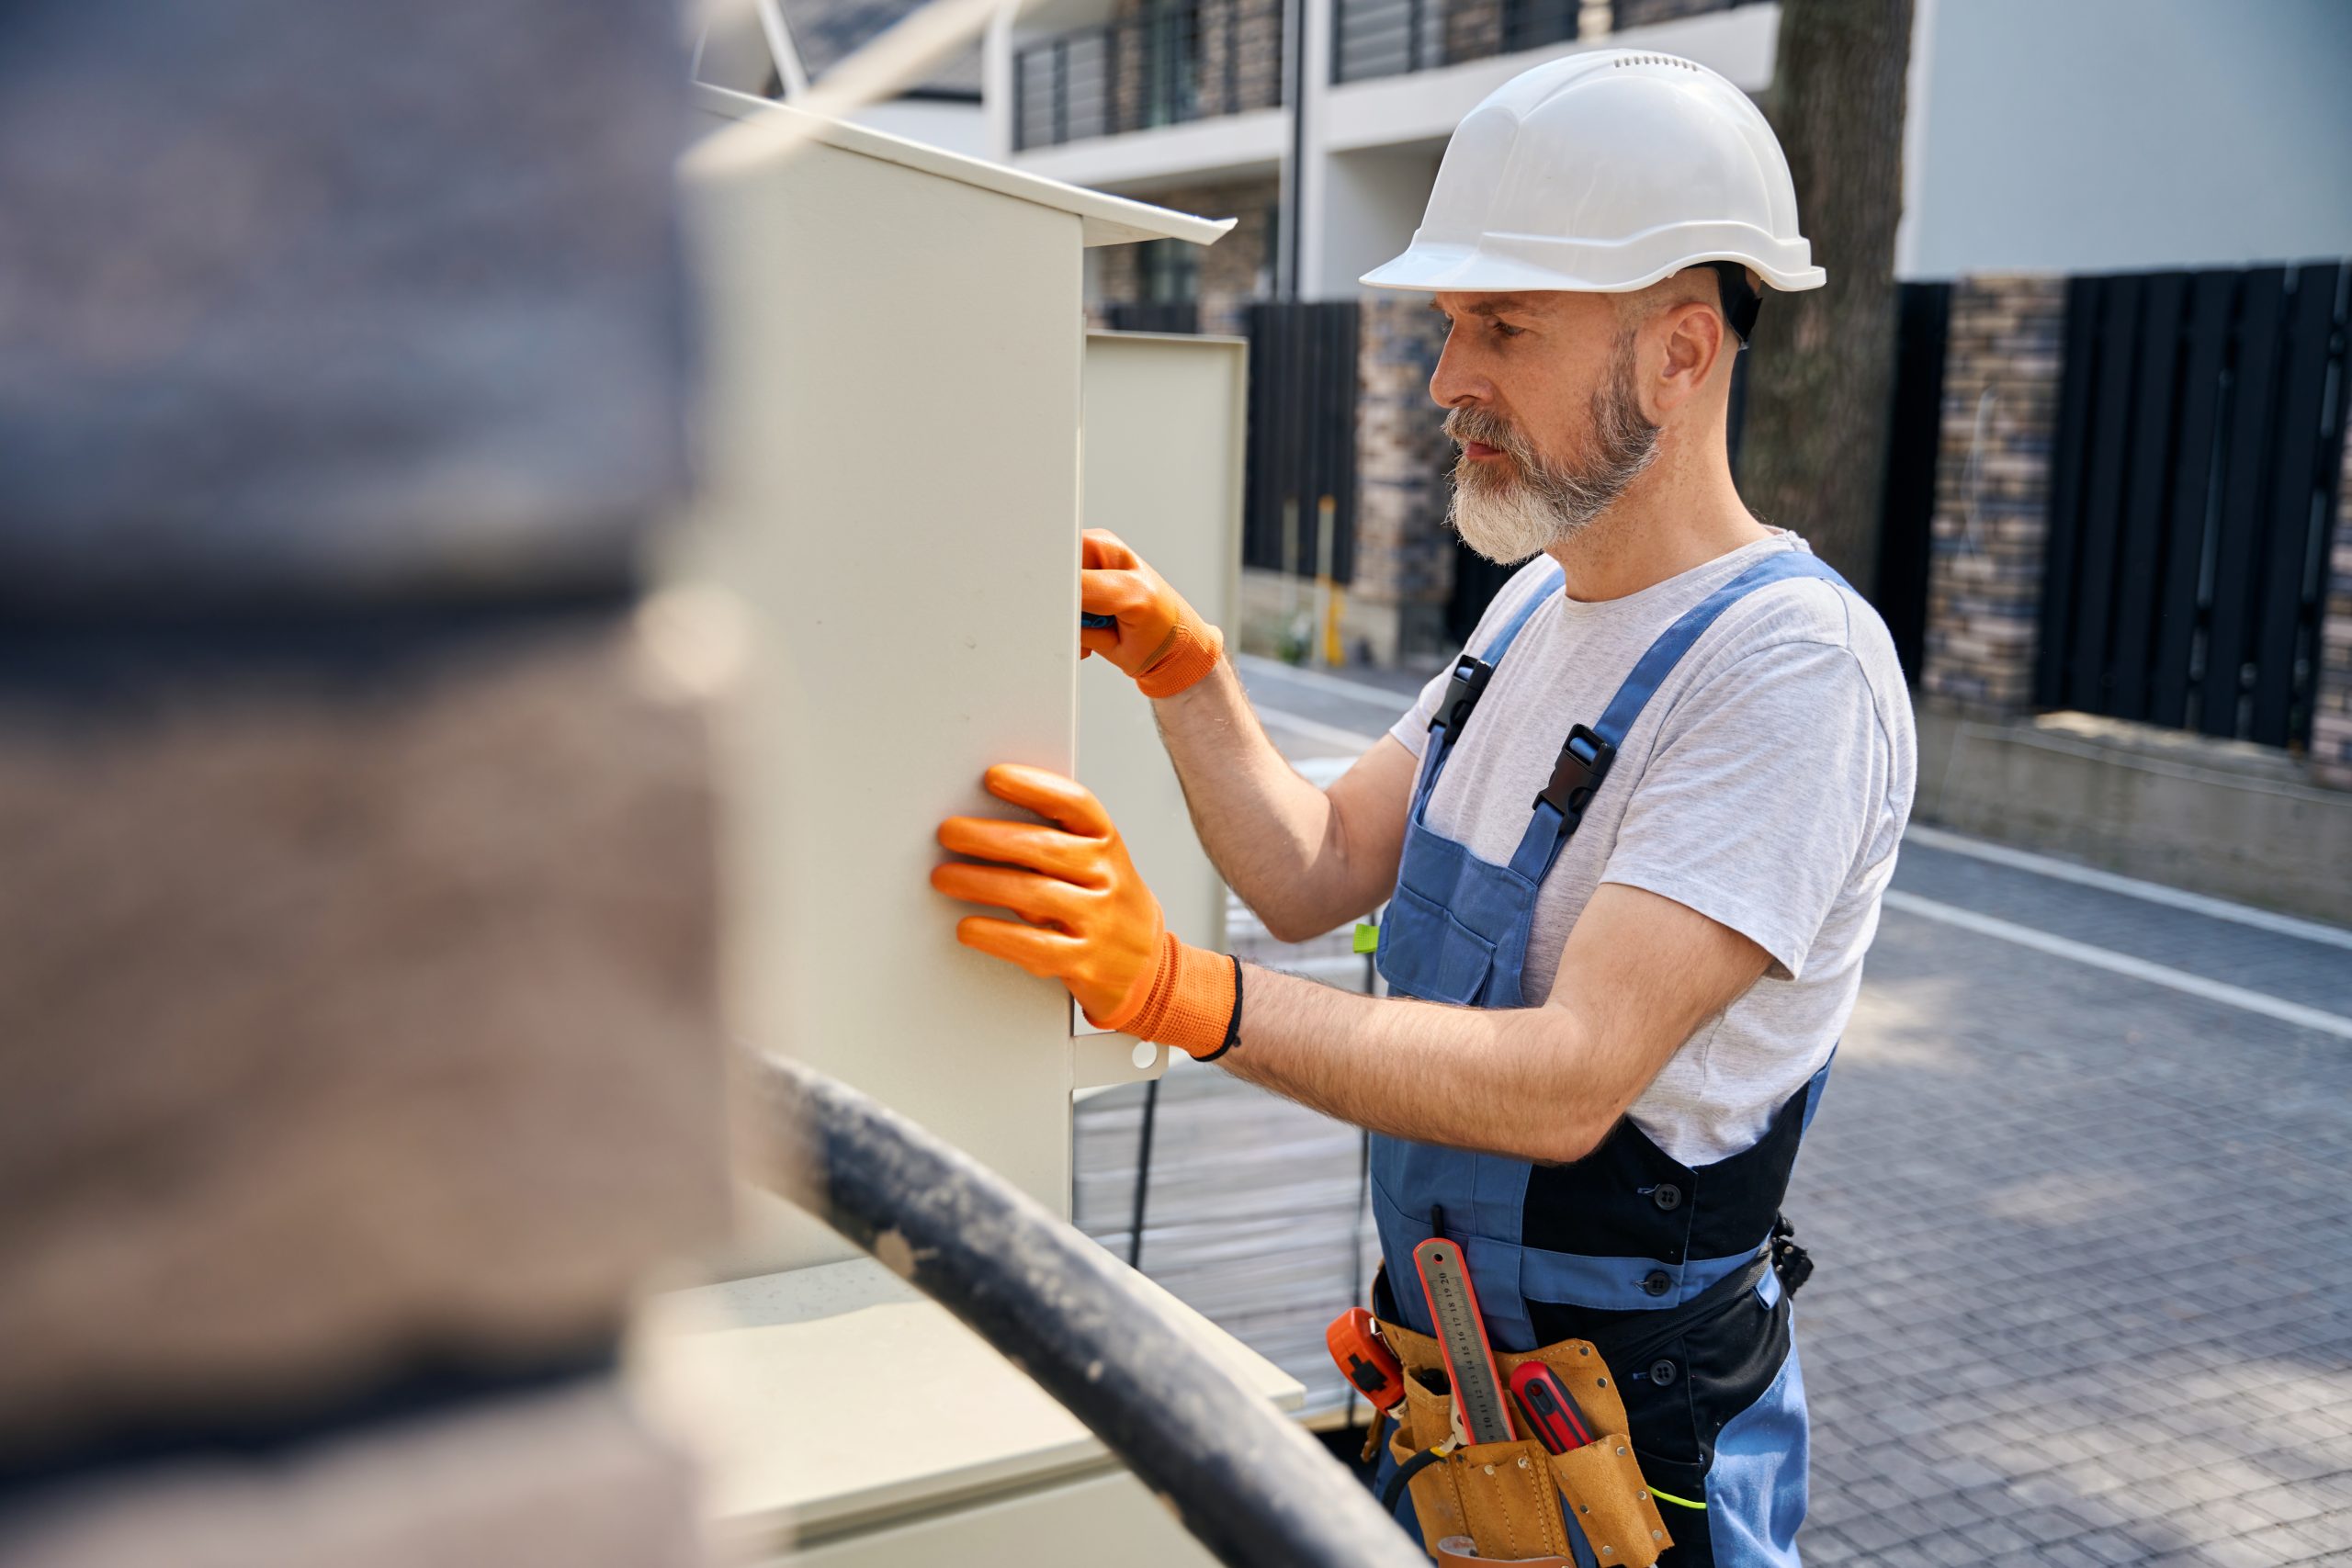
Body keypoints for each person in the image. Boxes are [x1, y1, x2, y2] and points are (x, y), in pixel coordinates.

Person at [931, 50, 1916, 1568]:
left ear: (1681, 351)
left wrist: (1185, 996)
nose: (1449, 376)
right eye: (1453, 322)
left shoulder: (1790, 670)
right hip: (1458, 1416)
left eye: (1503, 326)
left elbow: (1569, 1082)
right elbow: (1315, 866)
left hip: (1629, 1460)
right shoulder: (1530, 611)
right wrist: (1191, 683)